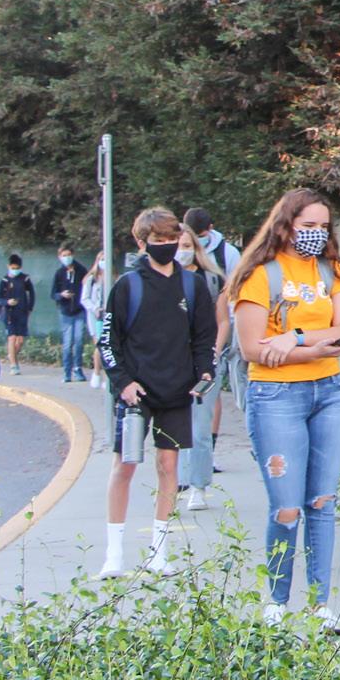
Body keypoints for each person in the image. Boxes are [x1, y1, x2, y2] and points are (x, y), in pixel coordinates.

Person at [229, 188, 340, 630]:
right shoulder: (260, 276)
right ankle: (277, 601)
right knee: (287, 507)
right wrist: (314, 348)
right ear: (285, 225)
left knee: (322, 501)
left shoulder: (331, 269)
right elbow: (252, 349)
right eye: (307, 226)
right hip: (276, 397)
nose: (316, 234)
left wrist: (294, 338)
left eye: (323, 227)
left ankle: (321, 604)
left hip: (330, 392)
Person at [97, 208, 216, 577]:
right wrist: (123, 383)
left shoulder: (193, 286)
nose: (167, 246)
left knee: (169, 467)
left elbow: (204, 337)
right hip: (135, 395)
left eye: (171, 239)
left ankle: (159, 553)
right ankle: (114, 554)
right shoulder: (127, 286)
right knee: (124, 465)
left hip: (177, 393)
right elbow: (107, 341)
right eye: (158, 240)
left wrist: (204, 374)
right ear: (141, 242)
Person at [174, 221, 229, 511]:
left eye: (186, 246)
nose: (180, 251)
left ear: (196, 248)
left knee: (199, 426)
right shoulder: (163, 280)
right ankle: (178, 481)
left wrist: (213, 353)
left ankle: (198, 485)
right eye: (176, 246)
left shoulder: (211, 280)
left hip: (204, 363)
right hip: (172, 363)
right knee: (175, 424)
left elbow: (223, 321)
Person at [182, 207, 242, 468]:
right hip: (180, 352)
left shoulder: (226, 255)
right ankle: (183, 467)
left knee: (209, 398)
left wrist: (218, 347)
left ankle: (206, 457)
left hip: (218, 338)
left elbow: (234, 295)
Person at [52, 244, 89, 382]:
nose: (66, 258)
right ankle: (67, 372)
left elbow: (87, 286)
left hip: (79, 310)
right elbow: (53, 293)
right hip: (65, 312)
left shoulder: (81, 270)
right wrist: (62, 295)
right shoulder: (59, 273)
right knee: (67, 343)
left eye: (68, 255)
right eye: (64, 256)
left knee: (78, 341)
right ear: (59, 257)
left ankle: (78, 369)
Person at [0, 254, 35, 374]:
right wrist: (7, 302)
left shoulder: (25, 279)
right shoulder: (5, 280)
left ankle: (11, 356)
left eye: (17, 268)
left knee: (20, 340)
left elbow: (32, 294)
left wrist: (29, 308)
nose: (15, 270)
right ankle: (13, 365)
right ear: (8, 266)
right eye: (13, 268)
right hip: (9, 313)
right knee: (12, 337)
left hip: (22, 312)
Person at [82, 251, 109, 392]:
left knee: (109, 347)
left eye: (106, 259)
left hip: (109, 315)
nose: (103, 262)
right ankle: (97, 373)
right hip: (95, 317)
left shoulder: (113, 278)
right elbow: (84, 299)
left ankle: (107, 377)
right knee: (100, 345)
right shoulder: (91, 279)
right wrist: (95, 308)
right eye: (101, 259)